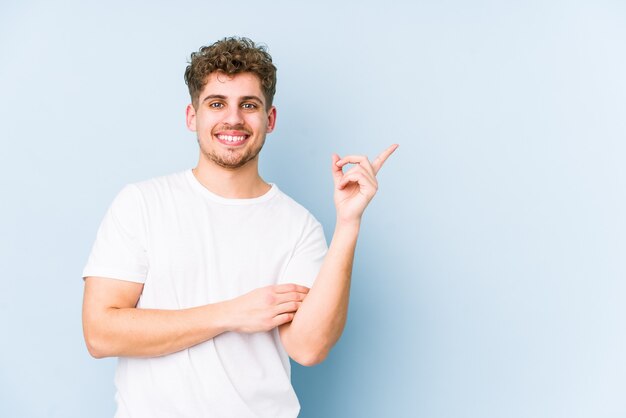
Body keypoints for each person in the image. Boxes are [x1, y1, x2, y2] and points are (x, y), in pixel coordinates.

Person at [82, 36, 397, 418]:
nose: (233, 118)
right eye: (217, 104)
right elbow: (100, 332)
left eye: (249, 105)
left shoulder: (299, 227)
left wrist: (348, 223)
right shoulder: (141, 204)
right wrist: (232, 313)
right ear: (192, 116)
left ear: (270, 119)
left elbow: (308, 347)